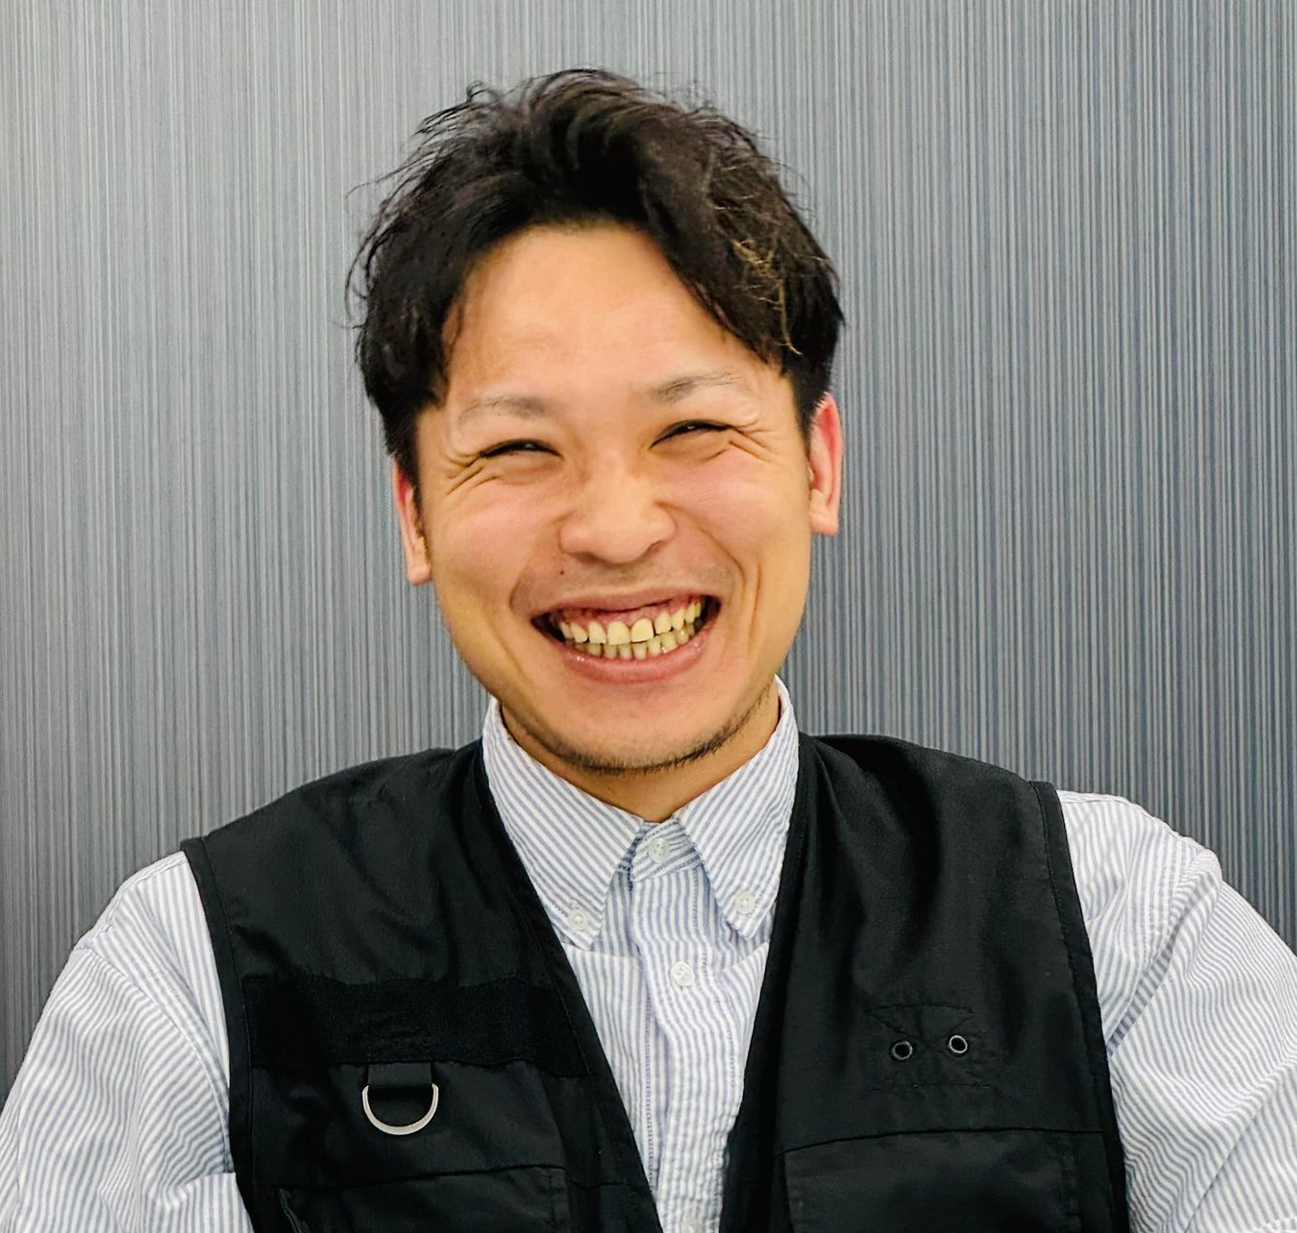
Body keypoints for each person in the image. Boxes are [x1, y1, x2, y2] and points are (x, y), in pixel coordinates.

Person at [1, 69, 1295, 1233]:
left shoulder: (1119, 930)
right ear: (414, 512)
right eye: (519, 449)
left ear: (818, 465)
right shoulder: (195, 975)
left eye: (693, 431)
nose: (616, 530)